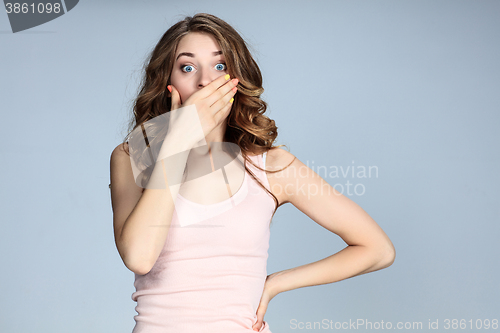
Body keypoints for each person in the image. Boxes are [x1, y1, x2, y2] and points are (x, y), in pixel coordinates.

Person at [109, 13, 395, 333]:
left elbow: (378, 250)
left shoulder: (270, 166)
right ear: (168, 81)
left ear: (236, 79)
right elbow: (139, 256)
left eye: (219, 66)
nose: (205, 81)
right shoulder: (132, 157)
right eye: (187, 67)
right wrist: (177, 139)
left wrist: (275, 283)